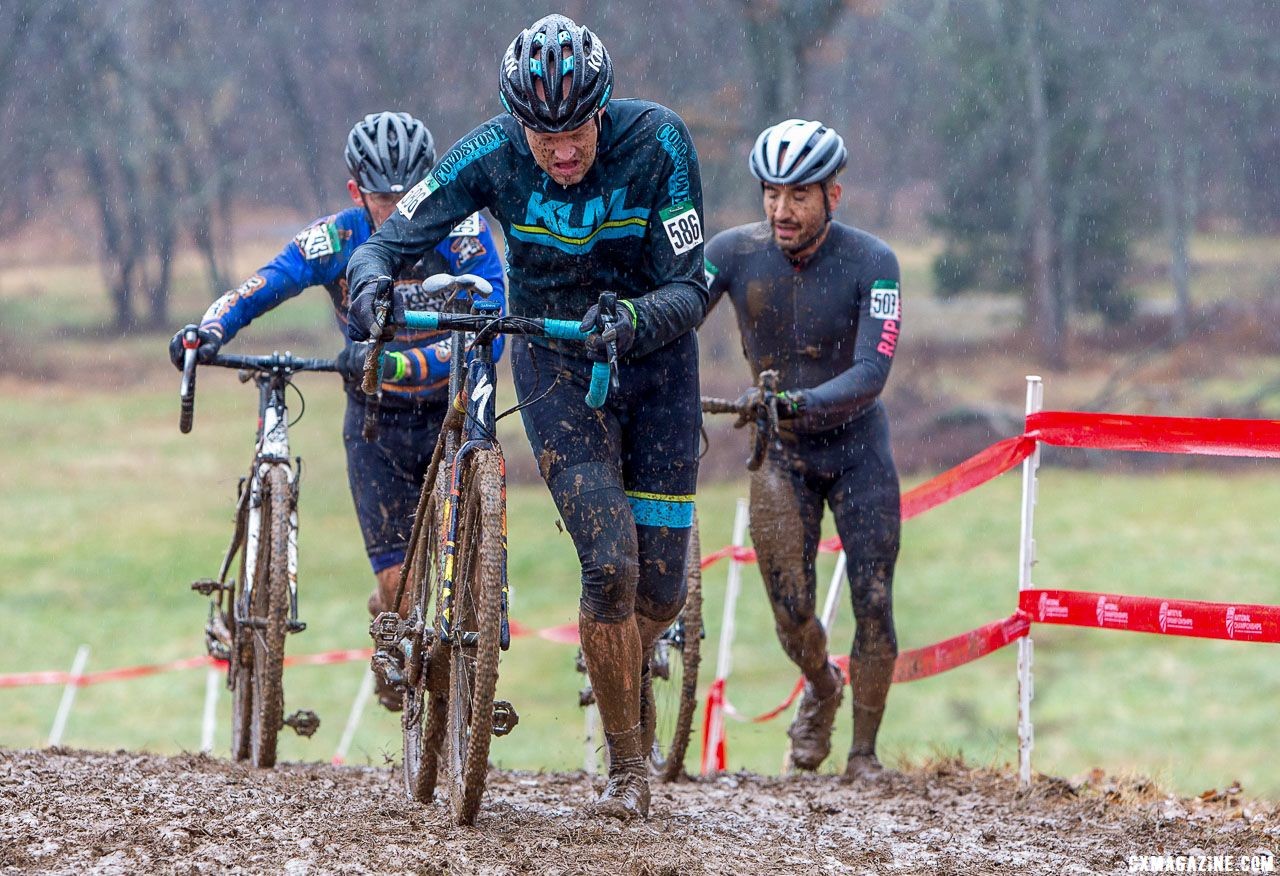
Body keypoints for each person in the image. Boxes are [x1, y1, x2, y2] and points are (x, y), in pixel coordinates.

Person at [345, 15, 707, 820]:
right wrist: (370, 278)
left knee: (659, 591)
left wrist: (636, 321)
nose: (563, 152)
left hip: (656, 365)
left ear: (603, 110)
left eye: (576, 130)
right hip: (550, 358)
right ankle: (624, 768)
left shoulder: (661, 143)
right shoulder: (489, 153)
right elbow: (396, 233)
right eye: (543, 136)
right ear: (517, 123)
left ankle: (624, 672)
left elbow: (692, 287)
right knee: (609, 566)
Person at [168, 112, 506, 710]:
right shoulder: (341, 237)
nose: (398, 207)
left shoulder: (465, 233)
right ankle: (388, 619)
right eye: (383, 197)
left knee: (463, 577)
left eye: (412, 193)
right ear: (357, 192)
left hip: (447, 419)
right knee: (399, 589)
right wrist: (210, 327)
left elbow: (495, 330)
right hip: (375, 424)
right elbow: (270, 280)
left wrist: (404, 366)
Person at [702, 119, 902, 782]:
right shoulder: (730, 253)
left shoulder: (875, 263)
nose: (782, 210)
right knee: (790, 613)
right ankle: (821, 685)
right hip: (779, 454)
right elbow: (676, 319)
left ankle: (864, 754)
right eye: (771, 194)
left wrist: (796, 402)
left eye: (799, 196)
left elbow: (872, 373)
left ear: (832, 196)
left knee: (874, 596)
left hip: (857, 449)